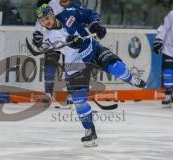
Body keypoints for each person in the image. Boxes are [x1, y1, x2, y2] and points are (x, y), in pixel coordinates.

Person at [35, 4, 146, 146]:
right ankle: (89, 130)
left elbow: (89, 13)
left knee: (117, 67)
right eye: (42, 21)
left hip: (92, 48)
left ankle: (130, 78)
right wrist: (73, 41)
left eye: (47, 18)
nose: (46, 22)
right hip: (75, 62)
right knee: (79, 100)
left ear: (52, 14)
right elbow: (71, 44)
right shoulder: (50, 37)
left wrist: (95, 25)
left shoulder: (69, 14)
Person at [32, 0, 85, 107]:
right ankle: (48, 93)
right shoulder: (52, 3)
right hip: (54, 38)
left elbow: (81, 19)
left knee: (72, 66)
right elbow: (41, 18)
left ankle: (71, 94)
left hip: (71, 39)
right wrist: (37, 32)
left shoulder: (77, 4)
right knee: (49, 62)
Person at [153, 10, 173, 108]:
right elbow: (163, 28)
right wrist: (159, 40)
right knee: (168, 72)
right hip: (169, 49)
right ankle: (168, 95)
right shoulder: (172, 14)